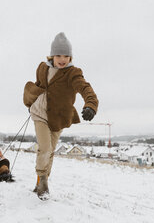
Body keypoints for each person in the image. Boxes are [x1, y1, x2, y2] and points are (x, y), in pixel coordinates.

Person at [23, 32, 98, 199]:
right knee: (45, 147)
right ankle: (43, 181)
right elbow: (38, 85)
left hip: (58, 118)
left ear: (70, 57)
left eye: (66, 55)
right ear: (52, 55)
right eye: (58, 55)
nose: (62, 59)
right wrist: (32, 101)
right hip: (40, 114)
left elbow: (85, 88)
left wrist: (90, 105)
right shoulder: (42, 68)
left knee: (50, 151)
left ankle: (40, 180)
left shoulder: (73, 73)